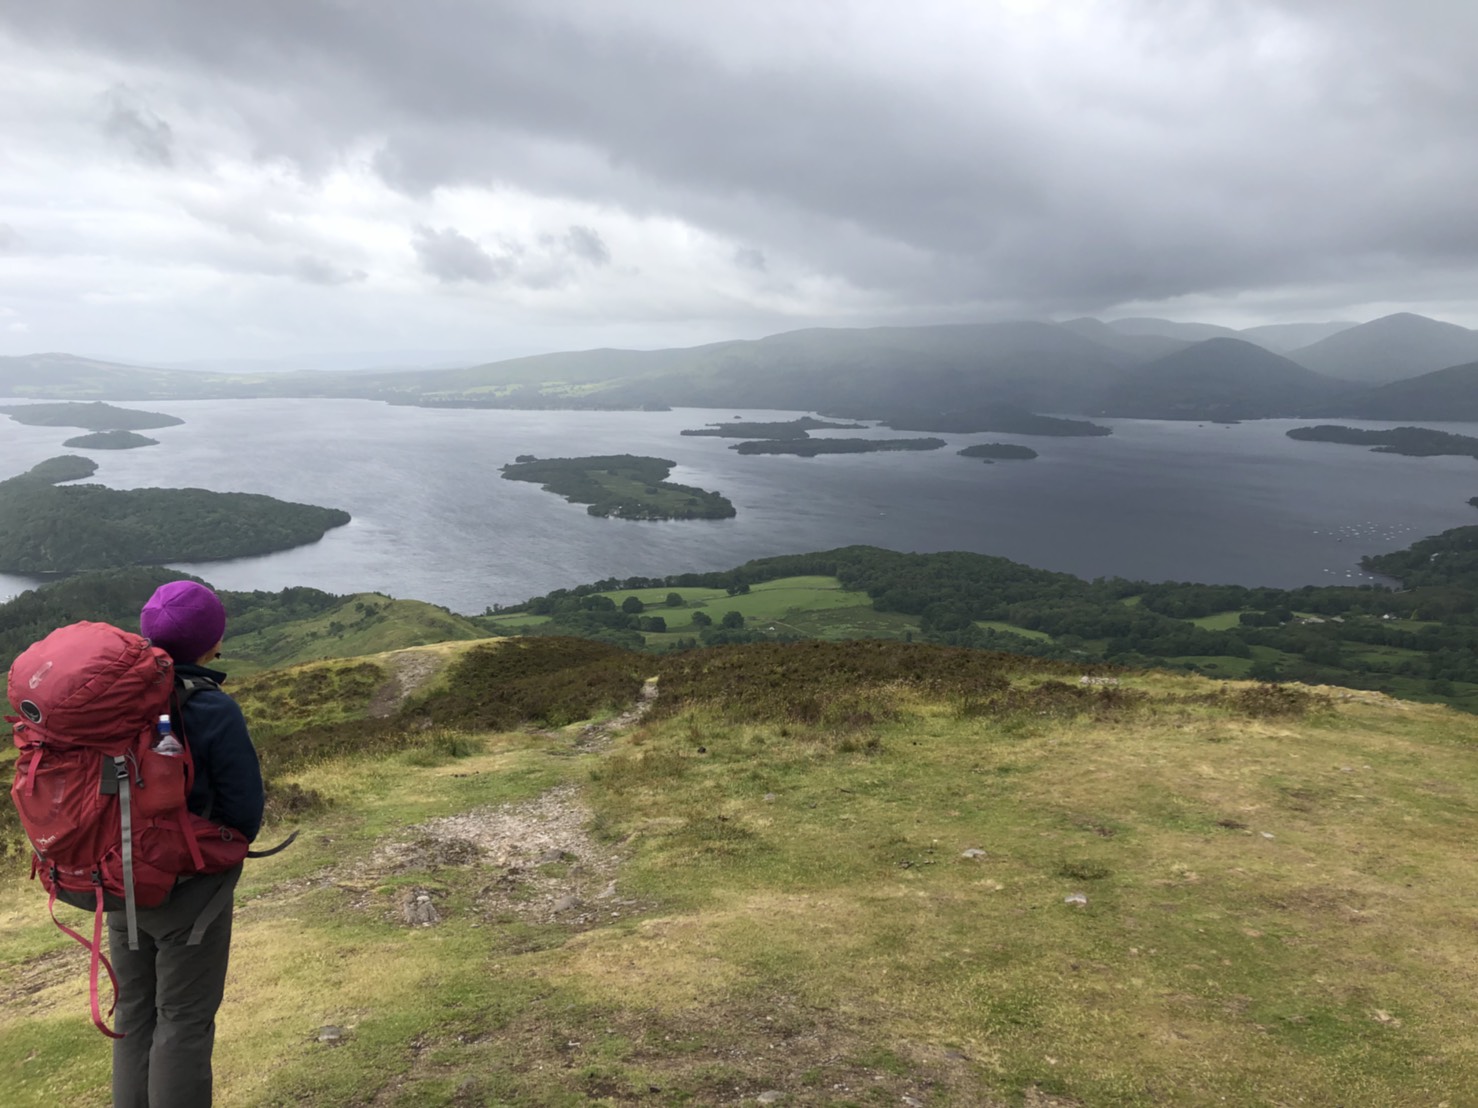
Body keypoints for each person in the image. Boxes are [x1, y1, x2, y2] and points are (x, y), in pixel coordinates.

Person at [109, 580, 265, 1108]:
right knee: (183, 1020)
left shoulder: (116, 700)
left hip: (120, 879)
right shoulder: (213, 708)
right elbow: (245, 811)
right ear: (212, 642)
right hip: (188, 885)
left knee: (135, 1013)